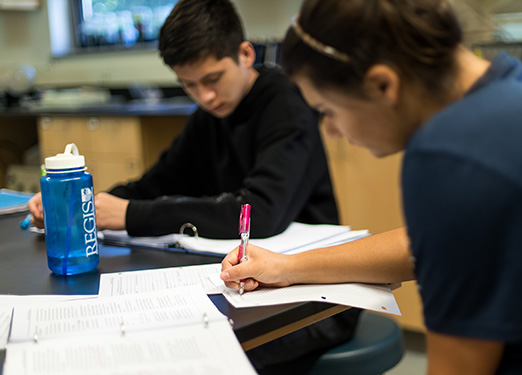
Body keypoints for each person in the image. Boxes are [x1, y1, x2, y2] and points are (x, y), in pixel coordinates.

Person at [221, 0, 522, 374]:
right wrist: (289, 267)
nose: (332, 131)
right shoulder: (514, 89)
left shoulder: (455, 154)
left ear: (383, 84)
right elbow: (432, 244)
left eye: (329, 110)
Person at [27, 0, 360, 373]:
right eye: (189, 85)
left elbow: (261, 213)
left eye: (213, 79)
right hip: (245, 286)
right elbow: (155, 183)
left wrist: (131, 215)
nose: (205, 97)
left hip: (313, 301)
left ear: (245, 54)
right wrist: (81, 205)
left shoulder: (286, 107)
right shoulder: (210, 117)